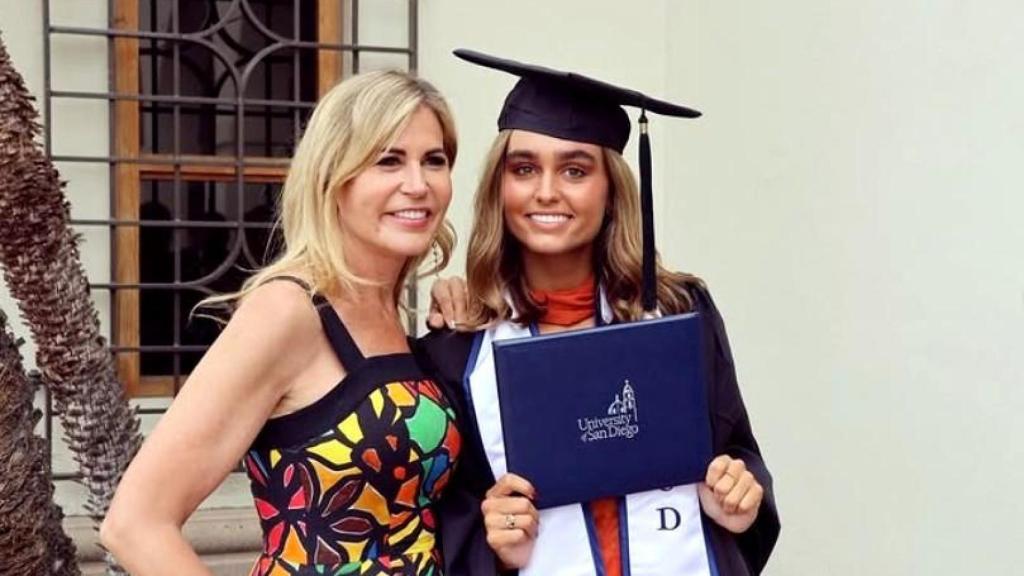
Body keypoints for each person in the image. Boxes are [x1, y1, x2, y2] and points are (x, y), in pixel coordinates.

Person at [420, 50, 780, 576]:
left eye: (575, 170)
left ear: (611, 190)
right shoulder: (458, 348)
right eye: (524, 169)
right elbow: (448, 515)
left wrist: (739, 498)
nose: (546, 192)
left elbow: (736, 452)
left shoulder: (680, 313)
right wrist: (493, 549)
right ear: (500, 185)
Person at [101, 70, 463, 576]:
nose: (418, 185)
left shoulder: (393, 312)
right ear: (332, 177)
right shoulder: (287, 311)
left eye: (434, 161)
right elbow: (134, 524)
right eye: (388, 160)